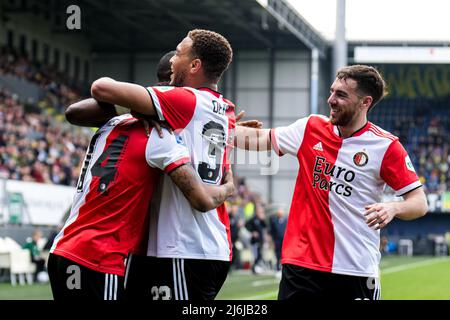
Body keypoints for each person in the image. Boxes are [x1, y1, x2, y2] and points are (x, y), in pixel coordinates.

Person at [65, 29, 238, 300]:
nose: (173, 61)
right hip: (184, 245)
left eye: (179, 54)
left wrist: (229, 188)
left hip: (183, 246)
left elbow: (97, 91)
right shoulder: (225, 109)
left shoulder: (175, 112)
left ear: (194, 65)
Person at [234, 64, 428, 299]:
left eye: (341, 95)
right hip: (302, 265)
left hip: (355, 268)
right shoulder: (309, 128)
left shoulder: (386, 146)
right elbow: (257, 139)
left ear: (364, 102)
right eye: (332, 91)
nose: (331, 100)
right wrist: (224, 128)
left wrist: (393, 207)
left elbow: (419, 202)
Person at [245, 205, 267, 274]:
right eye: (259, 211)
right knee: (256, 255)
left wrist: (263, 219)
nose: (260, 212)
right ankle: (254, 268)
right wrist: (252, 232)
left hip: (261, 240)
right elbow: (246, 225)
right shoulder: (253, 219)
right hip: (254, 241)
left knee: (260, 254)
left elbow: (265, 226)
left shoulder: (261, 219)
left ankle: (256, 267)